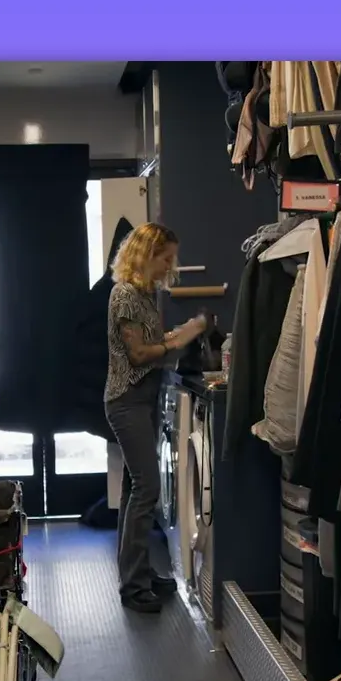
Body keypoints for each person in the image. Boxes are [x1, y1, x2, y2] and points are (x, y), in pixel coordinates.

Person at [104, 223, 207, 613]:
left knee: (135, 489)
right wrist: (180, 337)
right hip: (126, 402)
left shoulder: (145, 294)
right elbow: (138, 355)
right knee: (147, 488)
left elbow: (151, 344)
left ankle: (139, 573)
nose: (170, 266)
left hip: (141, 401)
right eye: (165, 258)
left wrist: (178, 335)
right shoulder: (125, 295)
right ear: (146, 254)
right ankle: (133, 586)